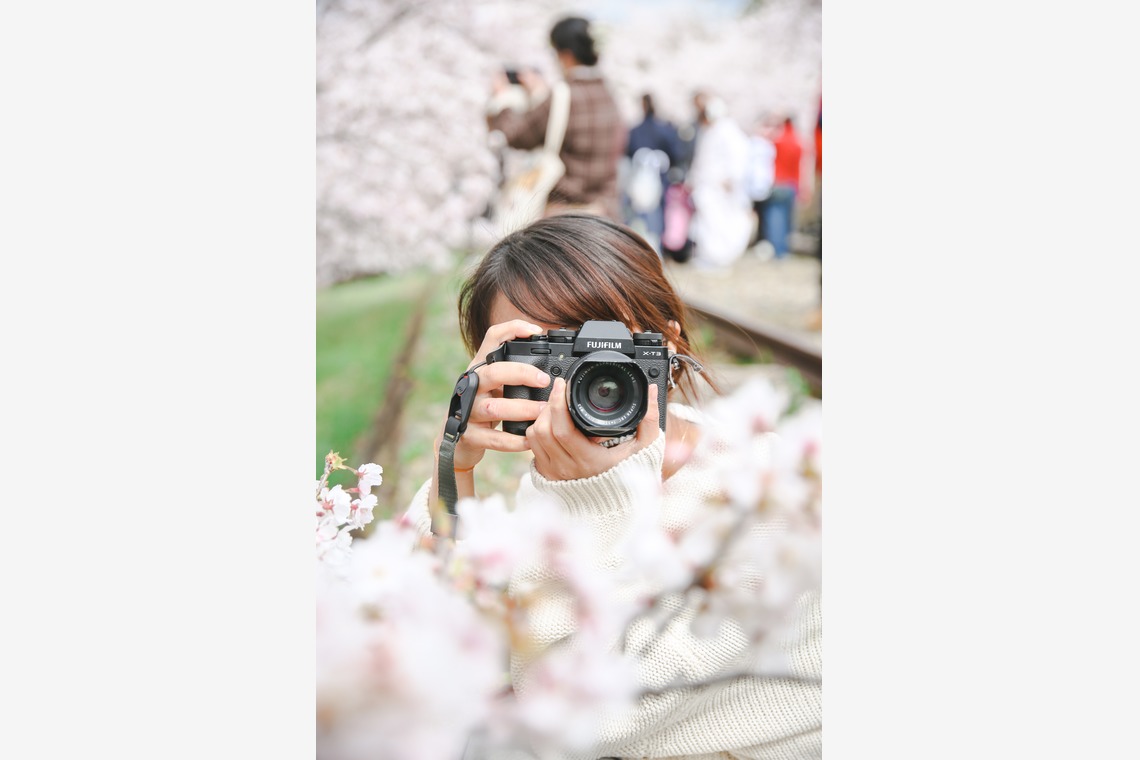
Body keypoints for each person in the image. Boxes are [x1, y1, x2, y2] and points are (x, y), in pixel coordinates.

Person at [404, 214, 823, 759]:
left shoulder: (766, 495)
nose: (579, 387)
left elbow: (579, 715)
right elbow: (433, 654)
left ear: (666, 345)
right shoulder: (551, 490)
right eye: (545, 359)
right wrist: (452, 470)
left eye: (601, 350)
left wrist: (596, 495)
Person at [486, 16, 625, 221]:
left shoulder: (562, 95)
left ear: (566, 55)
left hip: (564, 220)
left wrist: (503, 98)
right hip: (604, 217)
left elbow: (514, 135)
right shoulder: (610, 95)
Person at [685, 95, 754, 270]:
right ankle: (708, 255)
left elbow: (738, 158)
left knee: (717, 224)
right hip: (706, 186)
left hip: (719, 188)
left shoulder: (728, 130)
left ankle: (718, 257)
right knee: (706, 223)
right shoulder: (710, 130)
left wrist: (731, 179)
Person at [623, 93, 680, 254]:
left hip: (639, 181)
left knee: (638, 216)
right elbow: (675, 155)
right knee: (659, 215)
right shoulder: (665, 130)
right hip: (660, 181)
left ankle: (640, 248)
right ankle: (659, 248)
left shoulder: (636, 131)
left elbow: (628, 153)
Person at [764, 115, 804, 259]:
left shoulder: (777, 142)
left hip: (778, 183)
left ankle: (777, 250)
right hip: (791, 185)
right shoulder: (798, 143)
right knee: (787, 220)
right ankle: (785, 249)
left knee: (775, 219)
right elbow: (799, 168)